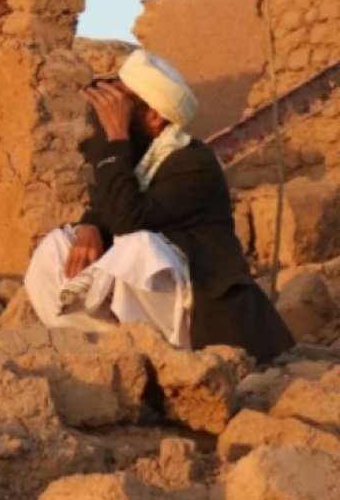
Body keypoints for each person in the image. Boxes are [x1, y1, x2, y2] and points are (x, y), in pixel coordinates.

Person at [23, 49, 294, 362]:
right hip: (149, 305)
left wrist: (116, 136)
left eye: (123, 106)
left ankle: (157, 358)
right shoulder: (138, 154)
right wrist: (90, 225)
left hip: (199, 313)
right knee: (56, 246)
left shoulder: (193, 162)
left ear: (154, 117)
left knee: (138, 249)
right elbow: (108, 198)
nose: (112, 112)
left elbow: (130, 219)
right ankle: (101, 353)